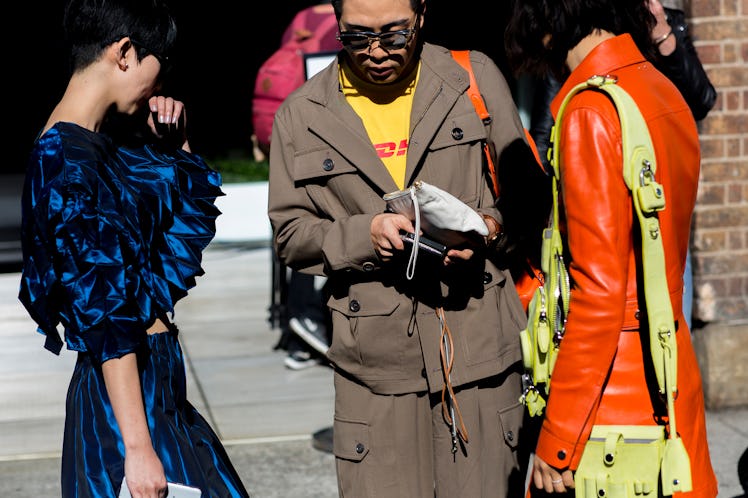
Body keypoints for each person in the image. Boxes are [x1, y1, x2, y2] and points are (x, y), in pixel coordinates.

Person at [267, 0, 542, 495]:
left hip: (478, 346)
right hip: (373, 369)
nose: (376, 51)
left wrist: (488, 228)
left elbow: (526, 190)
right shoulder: (301, 114)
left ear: (421, 16)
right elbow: (290, 233)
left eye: (394, 35)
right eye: (355, 36)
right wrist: (362, 236)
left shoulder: (471, 78)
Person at [17, 1, 250, 497]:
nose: (159, 84)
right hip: (125, 408)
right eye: (158, 64)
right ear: (125, 53)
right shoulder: (67, 163)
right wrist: (139, 448)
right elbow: (106, 317)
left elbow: (169, 251)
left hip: (152, 387)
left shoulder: (98, 146)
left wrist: (176, 143)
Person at [504, 0, 718, 496]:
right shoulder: (659, 87)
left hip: (608, 408)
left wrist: (559, 440)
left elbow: (599, 293)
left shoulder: (591, 111)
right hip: (667, 378)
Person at [524, 0, 717, 327]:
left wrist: (663, 35)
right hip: (606, 209)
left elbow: (700, 99)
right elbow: (547, 126)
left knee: (669, 319)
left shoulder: (663, 22)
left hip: (659, 206)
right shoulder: (581, 32)